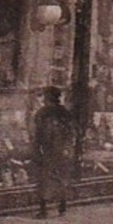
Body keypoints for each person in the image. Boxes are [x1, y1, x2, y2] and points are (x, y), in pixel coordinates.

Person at [31, 86, 75, 217]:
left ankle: (44, 208)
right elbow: (71, 131)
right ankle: (62, 205)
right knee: (61, 176)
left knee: (45, 178)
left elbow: (39, 133)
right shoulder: (65, 113)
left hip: (48, 149)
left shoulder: (43, 113)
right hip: (62, 149)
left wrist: (37, 148)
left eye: (44, 96)